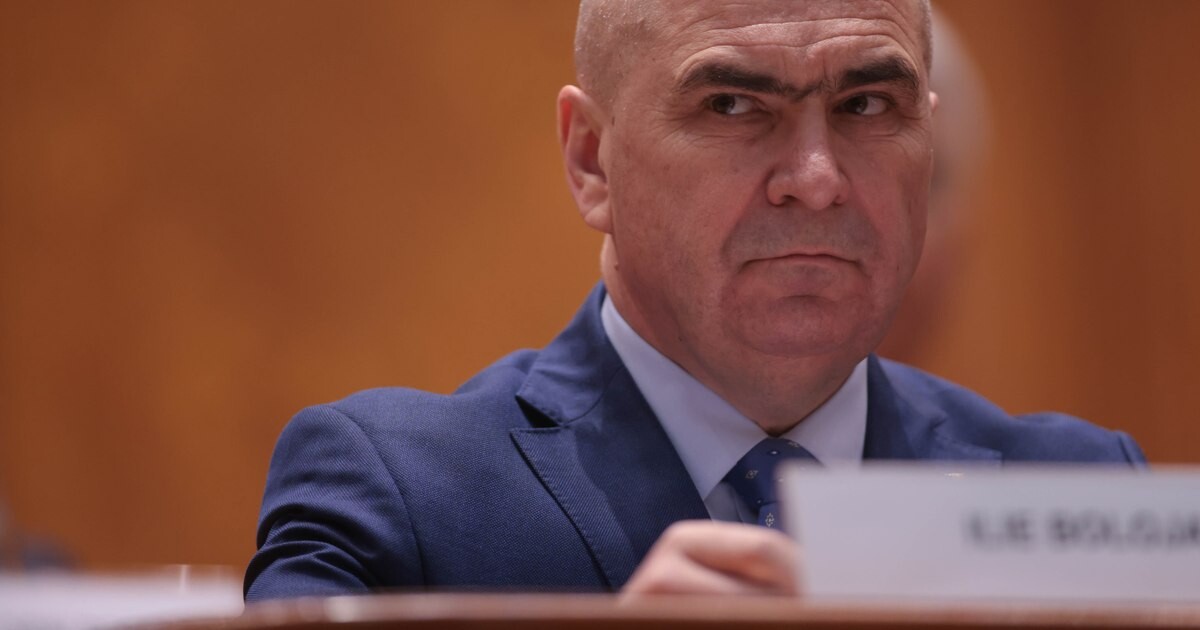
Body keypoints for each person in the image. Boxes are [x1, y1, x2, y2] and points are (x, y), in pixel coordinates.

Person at [245, 0, 1144, 601]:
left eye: (868, 106)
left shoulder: (1088, 496)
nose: (817, 179)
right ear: (591, 160)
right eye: (731, 107)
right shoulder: (395, 505)